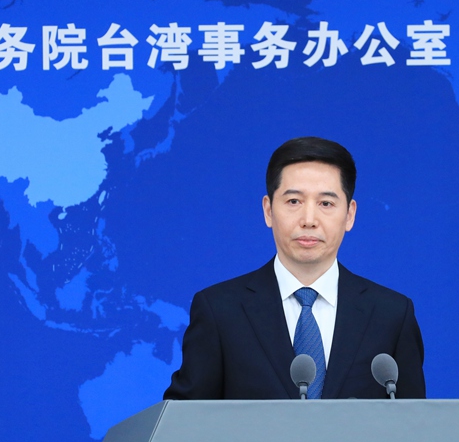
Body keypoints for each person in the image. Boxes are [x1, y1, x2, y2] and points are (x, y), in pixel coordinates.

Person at [163, 136, 425, 400]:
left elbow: (416, 419)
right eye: (293, 201)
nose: (309, 220)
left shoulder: (391, 315)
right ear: (268, 210)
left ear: (349, 215)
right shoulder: (220, 311)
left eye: (326, 203)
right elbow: (181, 417)